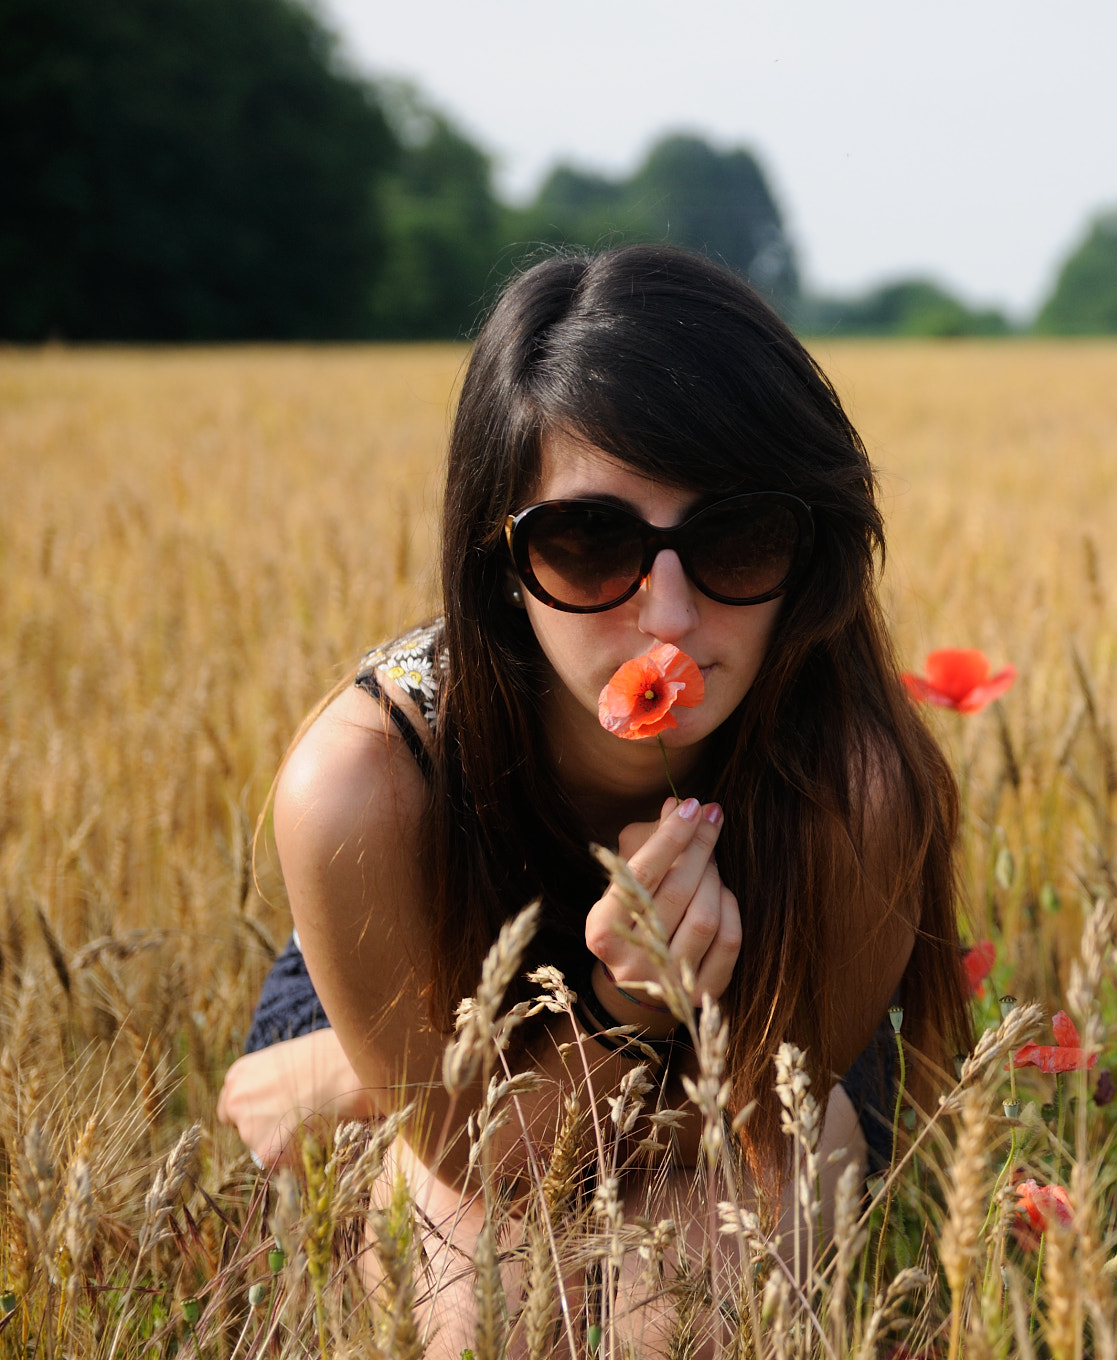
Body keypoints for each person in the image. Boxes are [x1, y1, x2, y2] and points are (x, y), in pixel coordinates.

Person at [216, 244, 969, 1351]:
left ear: (805, 554)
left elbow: (778, 1118)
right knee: (491, 1312)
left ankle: (344, 1080)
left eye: (737, 536)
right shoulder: (365, 781)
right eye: (587, 542)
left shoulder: (851, 788)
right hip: (443, 984)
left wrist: (386, 1080)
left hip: (757, 1057)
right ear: (498, 563)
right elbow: (470, 1152)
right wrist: (626, 1013)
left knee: (688, 1318)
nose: (666, 615)